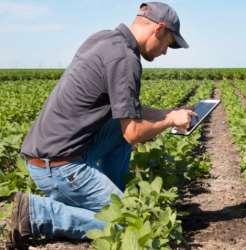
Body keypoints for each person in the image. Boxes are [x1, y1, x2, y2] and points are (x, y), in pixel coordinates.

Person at [7, 2, 195, 249]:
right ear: (159, 29)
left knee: (118, 127)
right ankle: (37, 213)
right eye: (168, 43)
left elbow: (129, 113)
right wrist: (170, 120)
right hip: (60, 167)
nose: (165, 52)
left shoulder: (105, 39)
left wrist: (169, 112)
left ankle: (108, 196)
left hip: (49, 155)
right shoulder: (125, 60)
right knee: (131, 224)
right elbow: (133, 132)